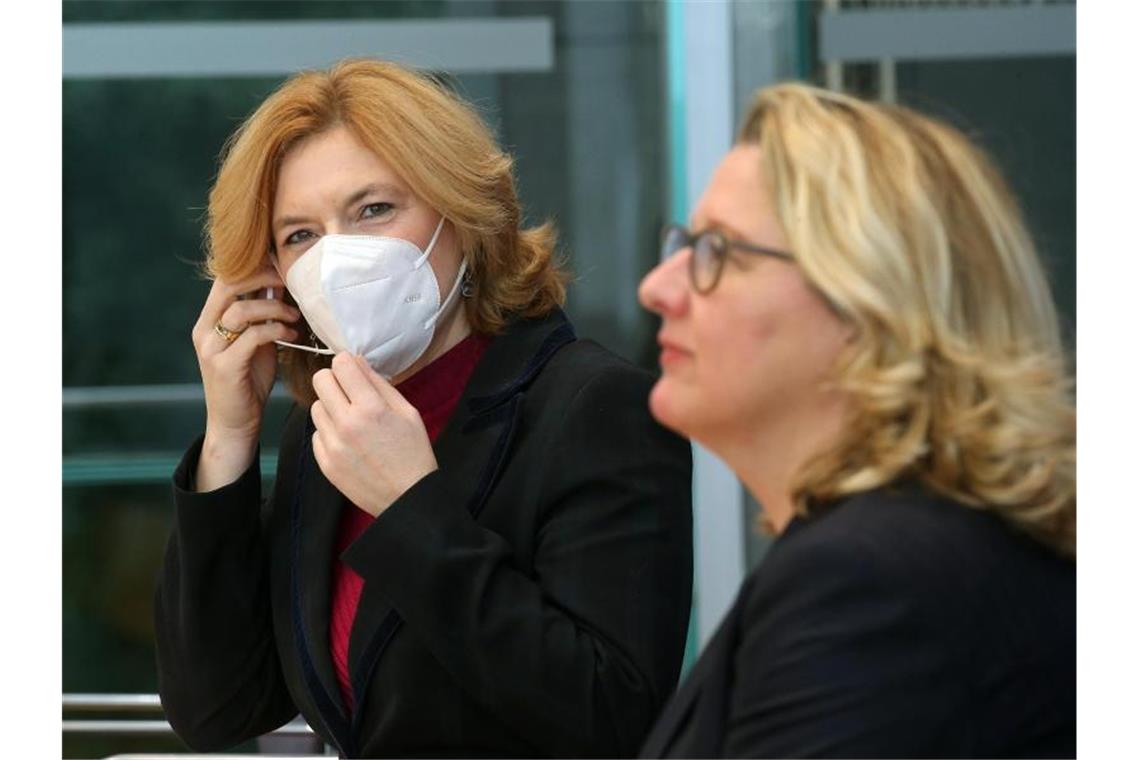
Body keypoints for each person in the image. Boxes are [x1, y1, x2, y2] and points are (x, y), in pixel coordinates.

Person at [154, 58, 694, 759]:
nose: (338, 256)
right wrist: (228, 437)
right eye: (300, 236)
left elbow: (610, 715)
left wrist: (411, 503)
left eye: (373, 210)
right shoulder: (325, 429)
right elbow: (218, 709)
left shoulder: (593, 406)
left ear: (461, 216)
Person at [636, 83, 1075, 758]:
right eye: (686, 243)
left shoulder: (871, 581)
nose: (657, 288)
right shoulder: (898, 549)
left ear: (870, 300)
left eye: (717, 251)